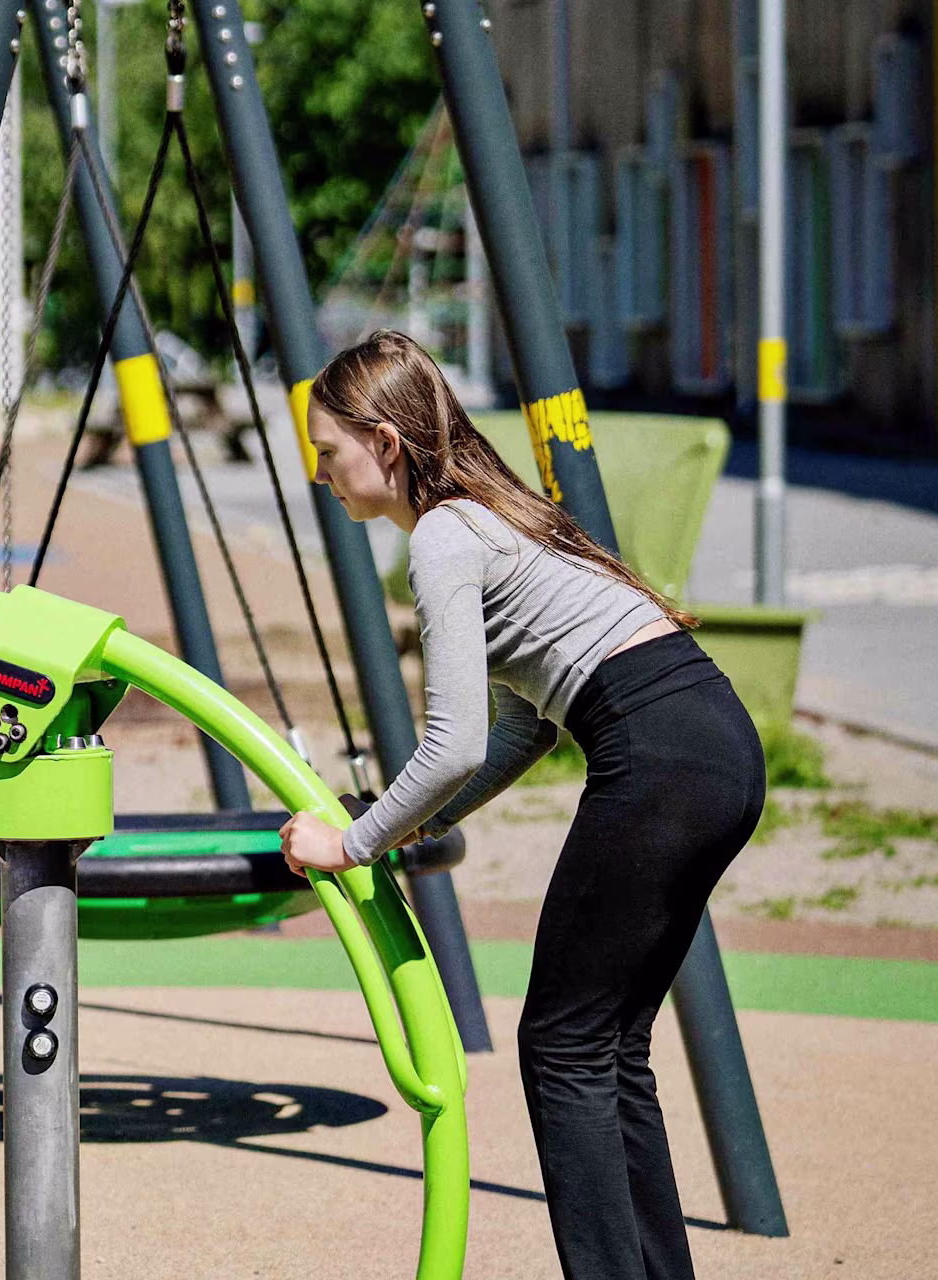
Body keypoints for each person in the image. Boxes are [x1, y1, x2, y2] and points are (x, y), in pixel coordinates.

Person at [280, 332, 763, 1280]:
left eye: (327, 454)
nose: (323, 477)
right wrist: (409, 821)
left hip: (660, 757)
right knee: (608, 1044)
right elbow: (521, 732)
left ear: (383, 443)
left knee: (562, 1045)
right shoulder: (494, 517)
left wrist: (356, 841)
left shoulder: (445, 535)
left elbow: (452, 738)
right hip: (716, 745)